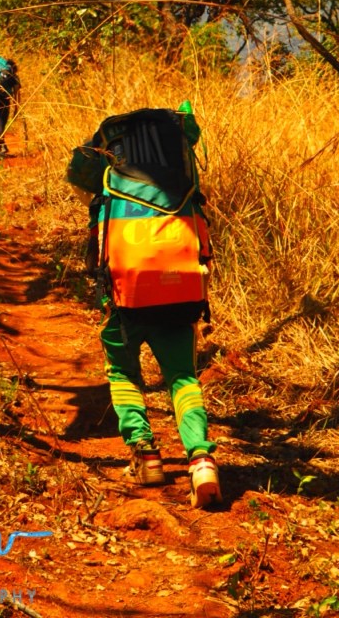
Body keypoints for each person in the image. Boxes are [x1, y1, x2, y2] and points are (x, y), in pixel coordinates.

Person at [69, 104, 221, 509]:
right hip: (181, 287)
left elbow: (76, 175)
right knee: (183, 377)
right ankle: (201, 460)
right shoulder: (180, 160)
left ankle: (146, 455)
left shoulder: (106, 151)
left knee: (123, 371)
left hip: (126, 295)